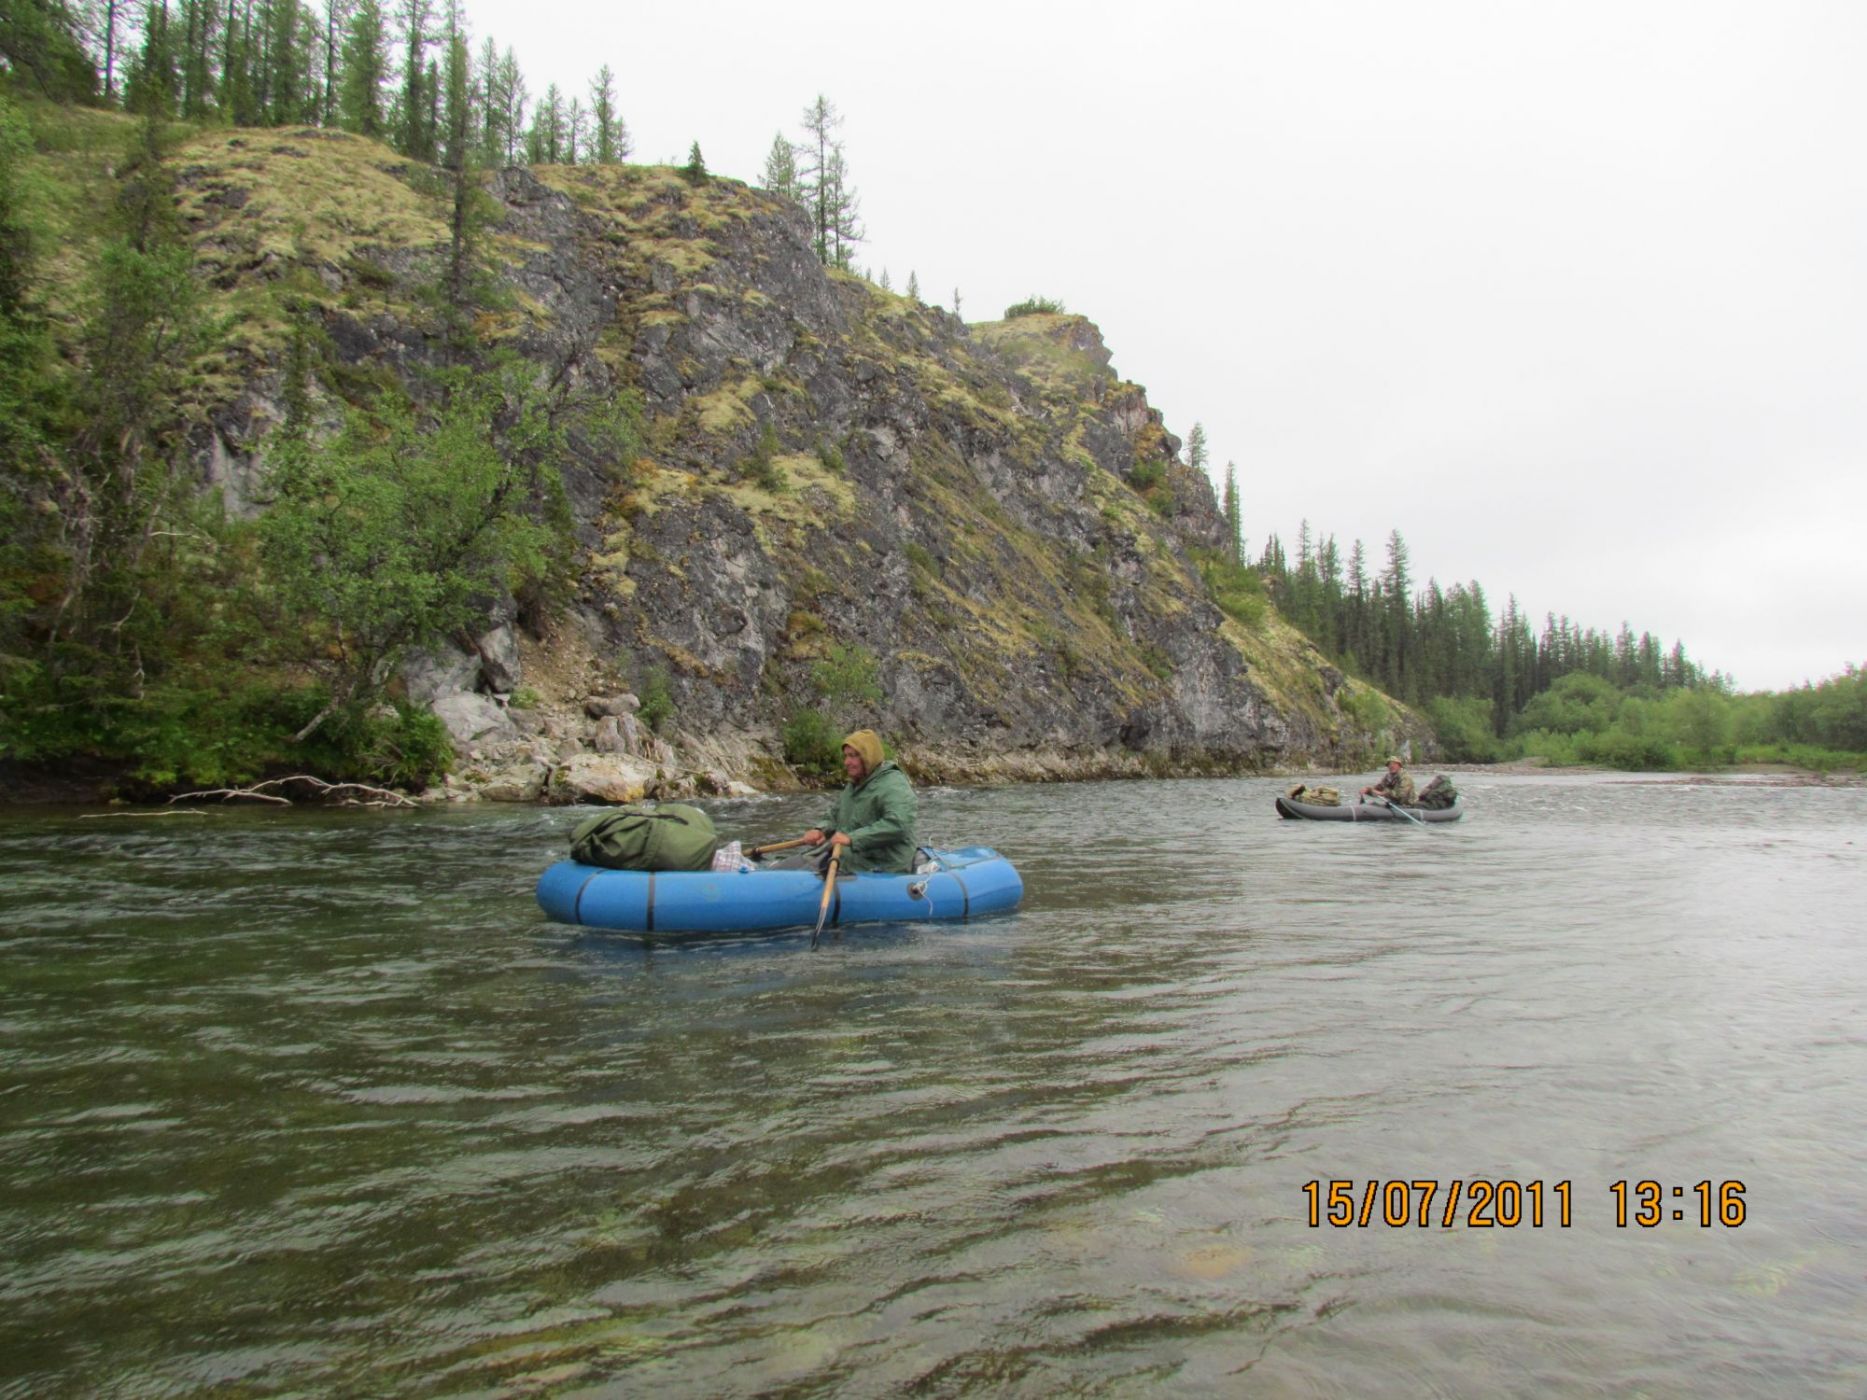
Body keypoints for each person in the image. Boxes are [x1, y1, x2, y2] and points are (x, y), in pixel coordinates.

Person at [793, 729, 918, 874]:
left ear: (868, 757)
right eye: (846, 756)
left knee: (812, 870)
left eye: (853, 756)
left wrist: (851, 838)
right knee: (794, 864)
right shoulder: (855, 784)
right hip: (851, 856)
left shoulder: (893, 784)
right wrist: (820, 830)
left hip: (882, 863)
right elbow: (835, 814)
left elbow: (898, 824)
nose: (847, 762)